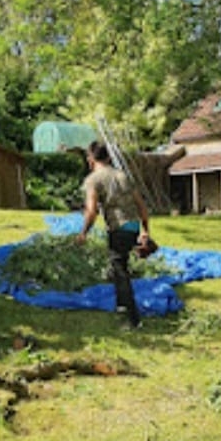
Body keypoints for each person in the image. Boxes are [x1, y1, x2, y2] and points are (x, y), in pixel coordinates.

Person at [75, 140, 152, 329]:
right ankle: (121, 308)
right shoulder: (122, 175)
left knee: (120, 272)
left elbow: (91, 211)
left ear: (90, 160)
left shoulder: (93, 179)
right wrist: (145, 231)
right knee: (119, 267)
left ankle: (132, 320)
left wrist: (83, 233)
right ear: (109, 157)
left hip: (118, 227)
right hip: (133, 225)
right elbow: (141, 205)